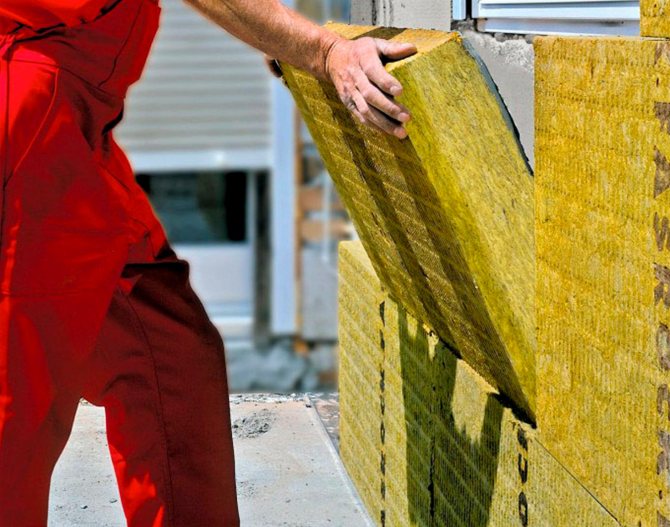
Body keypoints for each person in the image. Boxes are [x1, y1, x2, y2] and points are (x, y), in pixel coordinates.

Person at [0, 1, 416, 525]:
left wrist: (281, 36)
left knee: (169, 357)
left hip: (72, 122)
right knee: (15, 416)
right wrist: (325, 51)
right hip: (30, 125)